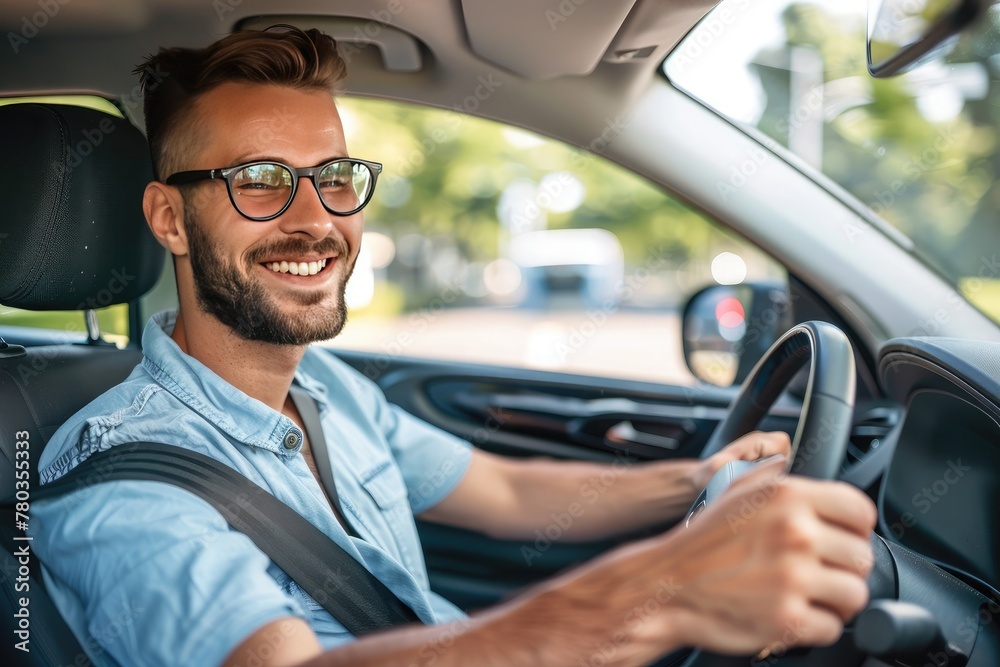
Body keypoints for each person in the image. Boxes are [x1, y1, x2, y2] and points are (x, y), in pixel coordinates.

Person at [30, 26, 876, 667]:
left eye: (333, 177)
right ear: (170, 218)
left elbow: (506, 492)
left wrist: (698, 482)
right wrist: (663, 590)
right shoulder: (117, 479)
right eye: (258, 181)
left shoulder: (324, 387)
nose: (317, 219)